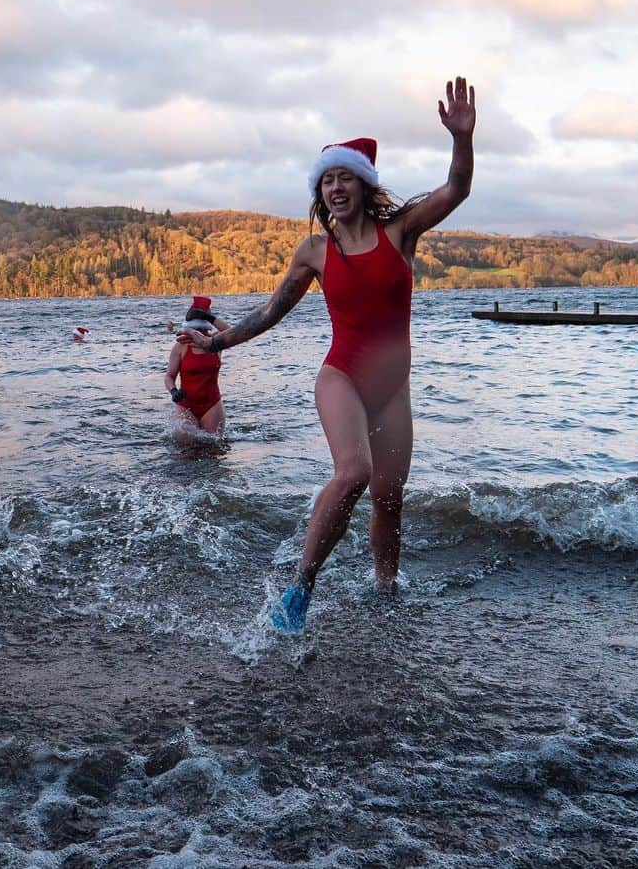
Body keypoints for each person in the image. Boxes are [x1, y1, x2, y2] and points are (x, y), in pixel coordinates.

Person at [178, 77, 476, 633]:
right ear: (321, 192)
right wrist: (217, 342)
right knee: (356, 472)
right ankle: (300, 588)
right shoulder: (315, 251)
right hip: (341, 377)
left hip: (393, 389)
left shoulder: (400, 232)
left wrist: (463, 137)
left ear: (364, 186)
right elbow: (272, 311)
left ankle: (386, 593)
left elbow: (457, 188)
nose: (336, 188)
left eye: (346, 178)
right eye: (327, 180)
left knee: (390, 496)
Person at [164, 296, 229, 435]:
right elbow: (169, 376)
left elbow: (233, 333)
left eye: (202, 327)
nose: (199, 331)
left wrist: (209, 317)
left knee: (215, 449)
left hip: (212, 404)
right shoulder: (181, 346)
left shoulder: (215, 342)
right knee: (184, 451)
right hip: (185, 405)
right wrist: (174, 391)